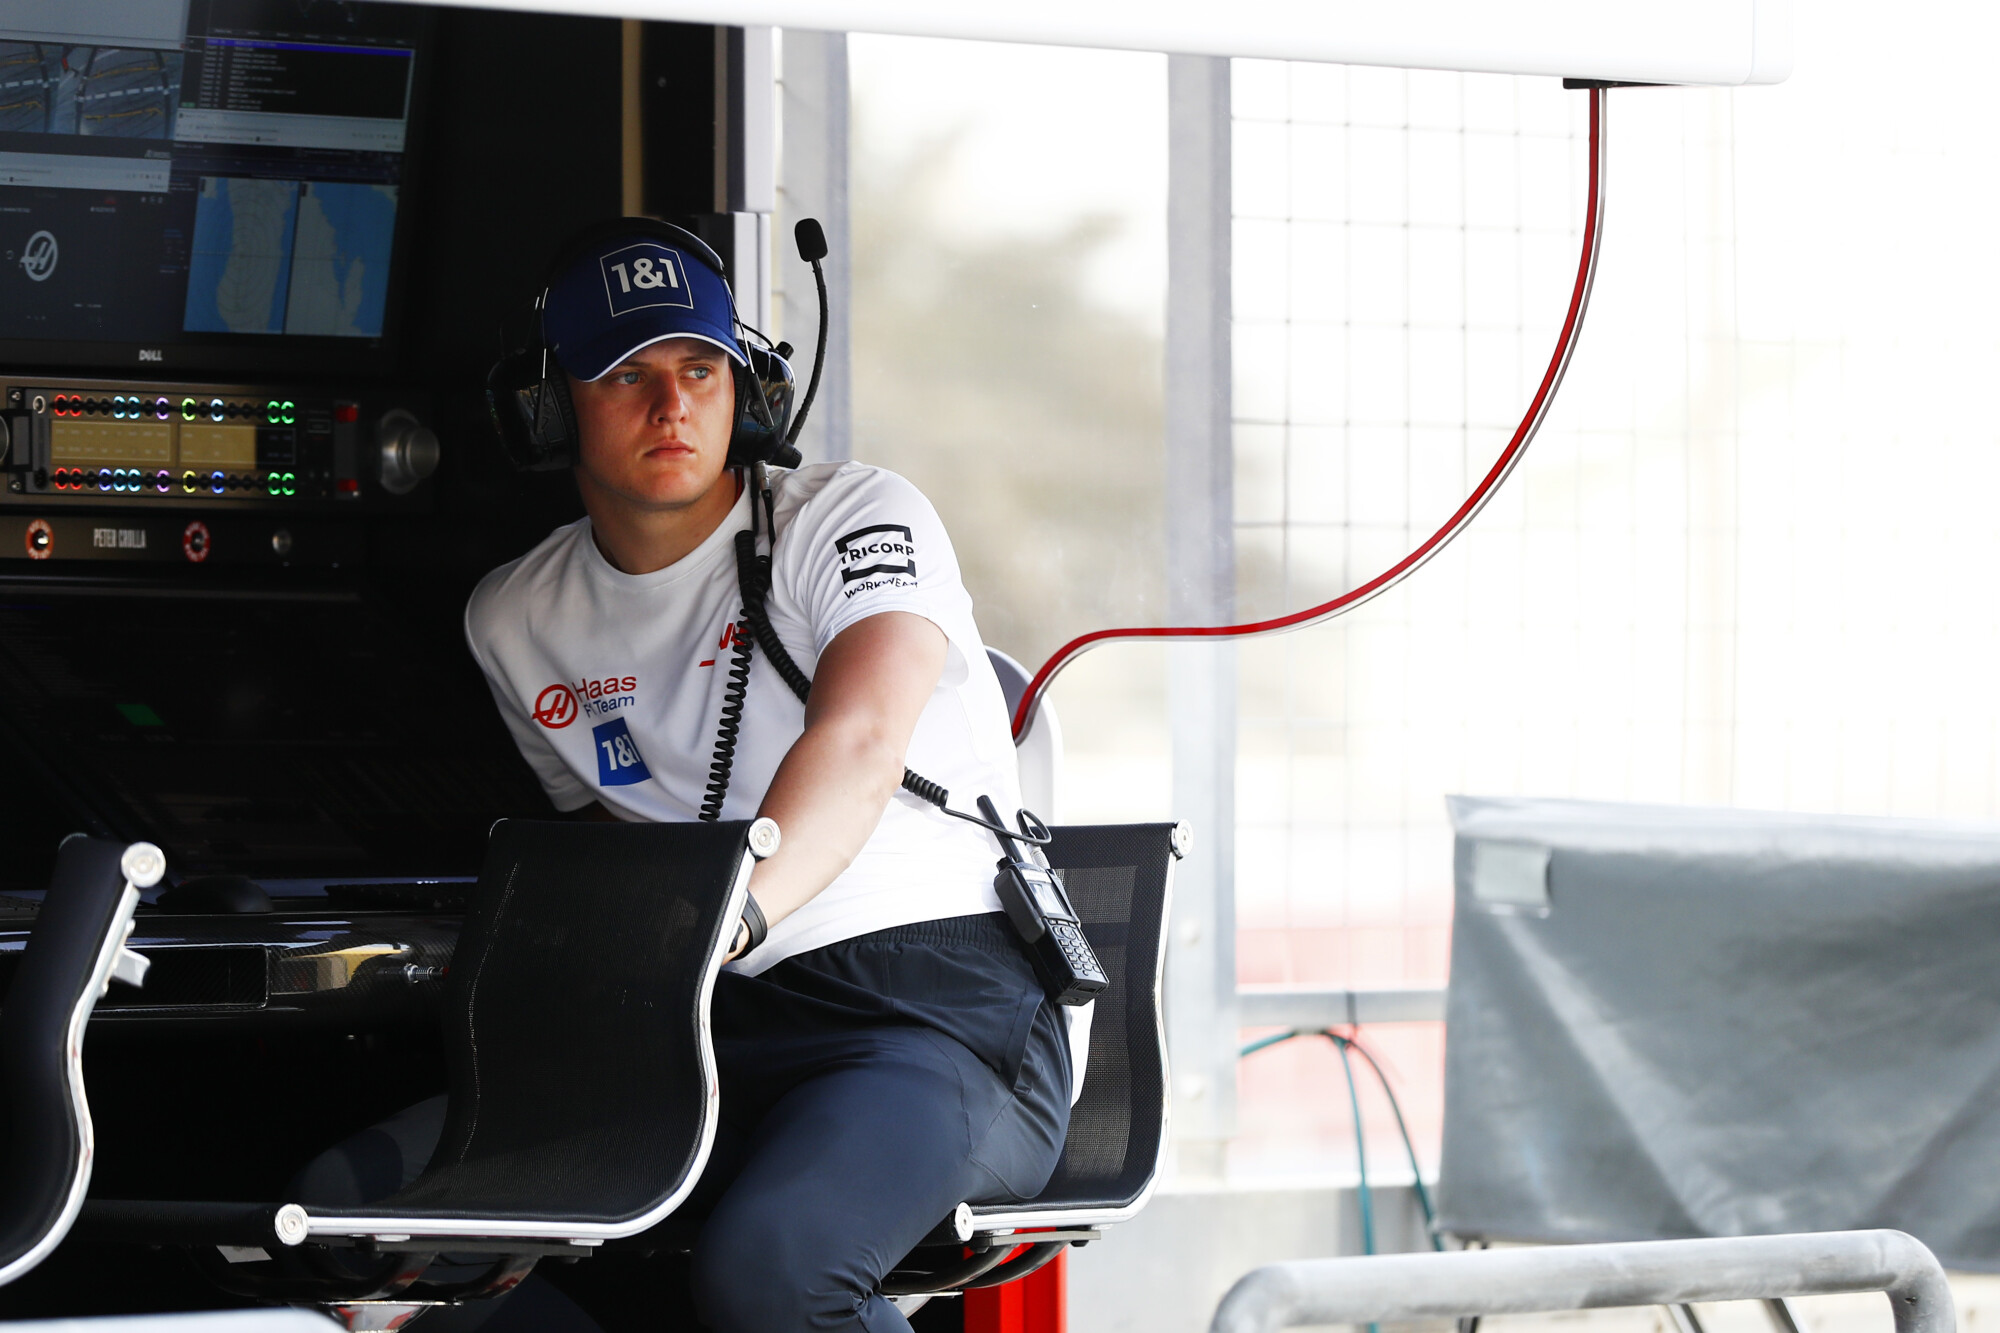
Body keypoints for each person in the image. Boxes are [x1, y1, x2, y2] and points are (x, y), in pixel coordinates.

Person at [454, 221, 1072, 1330]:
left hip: (935, 1015)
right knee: (414, 1237)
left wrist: (728, 916)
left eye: (698, 370)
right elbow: (601, 845)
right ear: (548, 412)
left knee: (772, 1271)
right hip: (710, 1026)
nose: (671, 406)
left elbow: (860, 740)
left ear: (751, 390)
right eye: (625, 376)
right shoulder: (513, 617)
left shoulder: (854, 515)